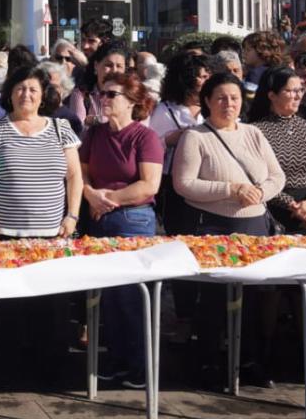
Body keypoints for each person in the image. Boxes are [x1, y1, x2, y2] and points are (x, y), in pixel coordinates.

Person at [173, 73, 286, 388]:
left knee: (252, 299)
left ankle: (251, 361)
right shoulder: (195, 137)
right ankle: (207, 362)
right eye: (221, 98)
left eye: (234, 98)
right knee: (213, 299)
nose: (229, 104)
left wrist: (259, 192)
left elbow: (277, 176)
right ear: (207, 101)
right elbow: (185, 184)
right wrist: (231, 188)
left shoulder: (253, 133)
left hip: (254, 224)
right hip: (214, 226)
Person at [78, 71, 163, 388]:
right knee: (107, 297)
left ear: (132, 102)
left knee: (131, 296)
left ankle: (141, 366)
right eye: (102, 93)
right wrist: (90, 195)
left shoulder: (145, 137)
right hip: (100, 219)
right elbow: (82, 174)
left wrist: (107, 199)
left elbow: (148, 184)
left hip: (133, 220)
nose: (104, 98)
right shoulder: (96, 134)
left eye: (112, 94)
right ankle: (116, 360)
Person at [0, 66, 82, 239]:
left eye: (33, 89)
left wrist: (72, 216)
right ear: (10, 95)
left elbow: (74, 176)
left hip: (55, 235)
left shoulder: (61, 128)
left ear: (42, 97)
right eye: (20, 89)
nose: (26, 94)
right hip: (5, 236)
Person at [248, 67, 306, 234]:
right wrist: (292, 205)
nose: (298, 95)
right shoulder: (255, 131)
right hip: (275, 212)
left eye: (300, 90)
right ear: (272, 95)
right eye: (290, 91)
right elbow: (256, 179)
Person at [148, 51, 211, 234]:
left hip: (208, 183)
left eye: (208, 76)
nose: (207, 81)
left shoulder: (214, 107)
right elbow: (151, 148)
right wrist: (171, 139)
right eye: (202, 76)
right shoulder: (165, 110)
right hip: (175, 186)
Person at [67, 41, 130, 126]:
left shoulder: (130, 94)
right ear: (96, 65)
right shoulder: (81, 95)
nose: (114, 71)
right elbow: (79, 130)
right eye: (108, 65)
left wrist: (95, 120)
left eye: (119, 66)